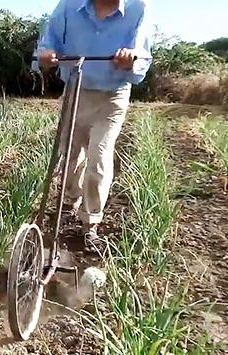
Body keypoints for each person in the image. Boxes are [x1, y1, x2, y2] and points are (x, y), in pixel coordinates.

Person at [31, 0, 153, 251]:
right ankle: (70, 201)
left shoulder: (138, 8)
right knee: (71, 156)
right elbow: (48, 41)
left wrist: (130, 59)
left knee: (98, 159)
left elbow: (142, 56)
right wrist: (45, 55)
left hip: (112, 95)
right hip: (75, 89)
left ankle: (90, 224)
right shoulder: (68, 6)